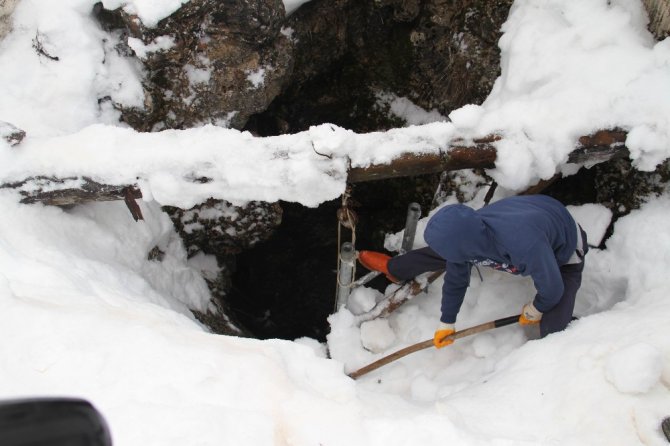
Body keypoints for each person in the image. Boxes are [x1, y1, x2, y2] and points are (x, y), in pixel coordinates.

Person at [358, 194, 588, 348]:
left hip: (563, 249)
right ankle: (395, 268)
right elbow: (456, 279)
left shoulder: (524, 244)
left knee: (554, 329)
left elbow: (553, 288)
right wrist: (447, 321)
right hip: (526, 217)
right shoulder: (470, 234)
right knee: (446, 253)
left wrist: (537, 308)